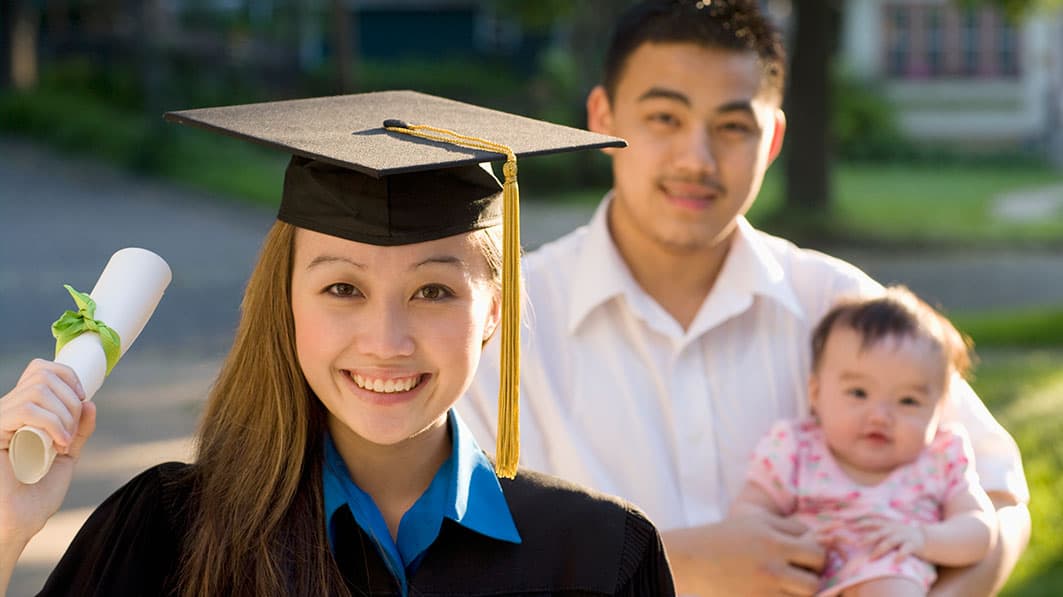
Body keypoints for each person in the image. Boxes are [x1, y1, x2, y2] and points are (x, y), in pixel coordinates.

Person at [0, 91, 675, 596]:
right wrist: (5, 528)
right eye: (342, 289)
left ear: (492, 310)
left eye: (433, 291)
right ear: (286, 301)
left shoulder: (594, 556)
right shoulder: (166, 533)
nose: (386, 341)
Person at [461, 1, 1030, 595]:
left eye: (733, 126)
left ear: (774, 136)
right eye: (663, 118)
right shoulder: (501, 324)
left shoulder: (842, 308)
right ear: (602, 118)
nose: (697, 160)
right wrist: (671, 563)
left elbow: (1003, 495)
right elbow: (455, 559)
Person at [730, 286, 996, 596]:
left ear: (938, 409)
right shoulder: (795, 448)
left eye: (908, 401)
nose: (880, 416)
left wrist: (922, 538)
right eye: (859, 393)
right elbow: (747, 513)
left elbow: (979, 528)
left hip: (888, 566)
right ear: (815, 394)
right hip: (805, 572)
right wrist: (790, 539)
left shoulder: (940, 457)